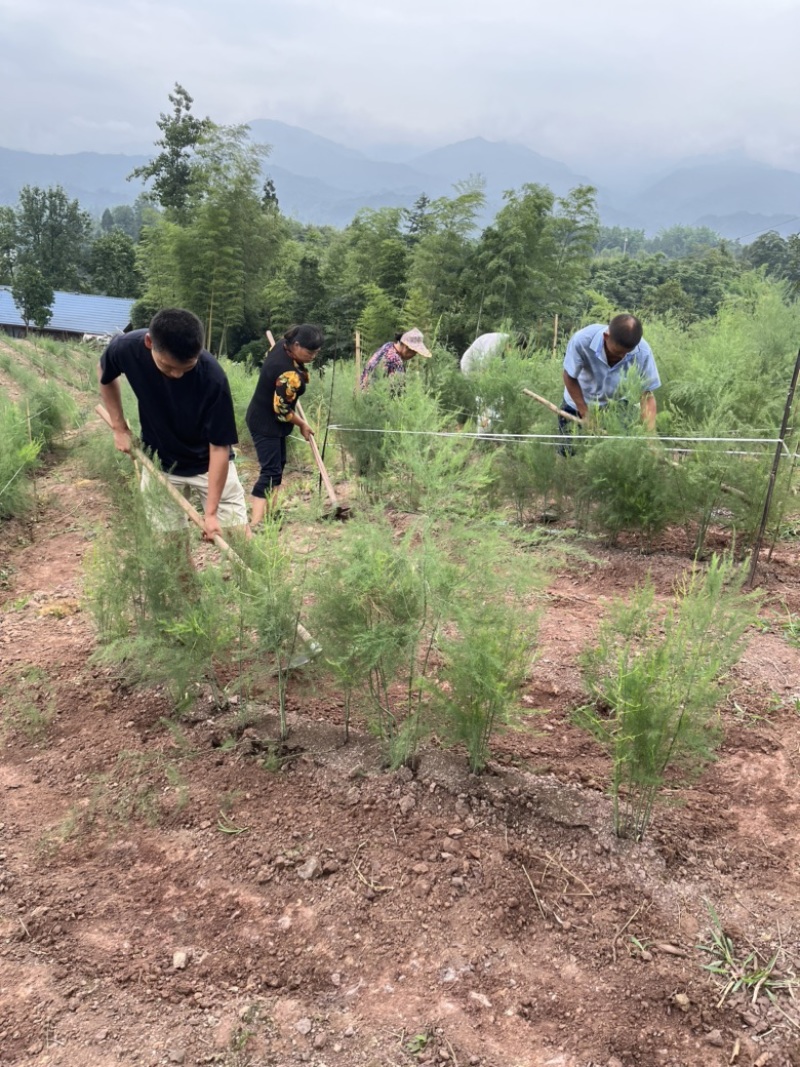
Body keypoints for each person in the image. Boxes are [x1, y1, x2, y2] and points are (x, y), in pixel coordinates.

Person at [98, 307, 248, 541]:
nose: (177, 375)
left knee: (238, 537)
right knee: (171, 551)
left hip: (209, 465)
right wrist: (119, 428)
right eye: (168, 367)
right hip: (160, 463)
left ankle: (255, 578)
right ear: (149, 342)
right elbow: (105, 374)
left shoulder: (213, 379)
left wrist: (211, 513)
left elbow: (219, 448)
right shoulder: (126, 347)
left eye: (186, 368)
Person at [245, 324, 324, 525]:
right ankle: (256, 523)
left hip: (271, 421)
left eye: (316, 352)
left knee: (278, 468)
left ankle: (272, 515)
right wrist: (302, 424)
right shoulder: (288, 375)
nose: (313, 356)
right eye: (309, 351)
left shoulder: (281, 345)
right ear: (296, 345)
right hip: (265, 423)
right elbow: (280, 411)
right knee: (270, 472)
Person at [561, 314, 660, 435]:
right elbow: (569, 377)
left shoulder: (643, 352)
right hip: (578, 403)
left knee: (616, 451)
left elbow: (646, 394)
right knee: (568, 451)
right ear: (606, 337)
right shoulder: (582, 341)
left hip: (617, 407)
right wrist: (585, 413)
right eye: (618, 352)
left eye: (627, 353)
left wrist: (650, 435)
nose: (622, 357)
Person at [359, 328, 432, 389]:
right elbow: (398, 392)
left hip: (361, 392)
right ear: (407, 347)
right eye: (414, 352)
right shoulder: (396, 361)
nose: (414, 355)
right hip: (374, 399)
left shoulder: (388, 346)